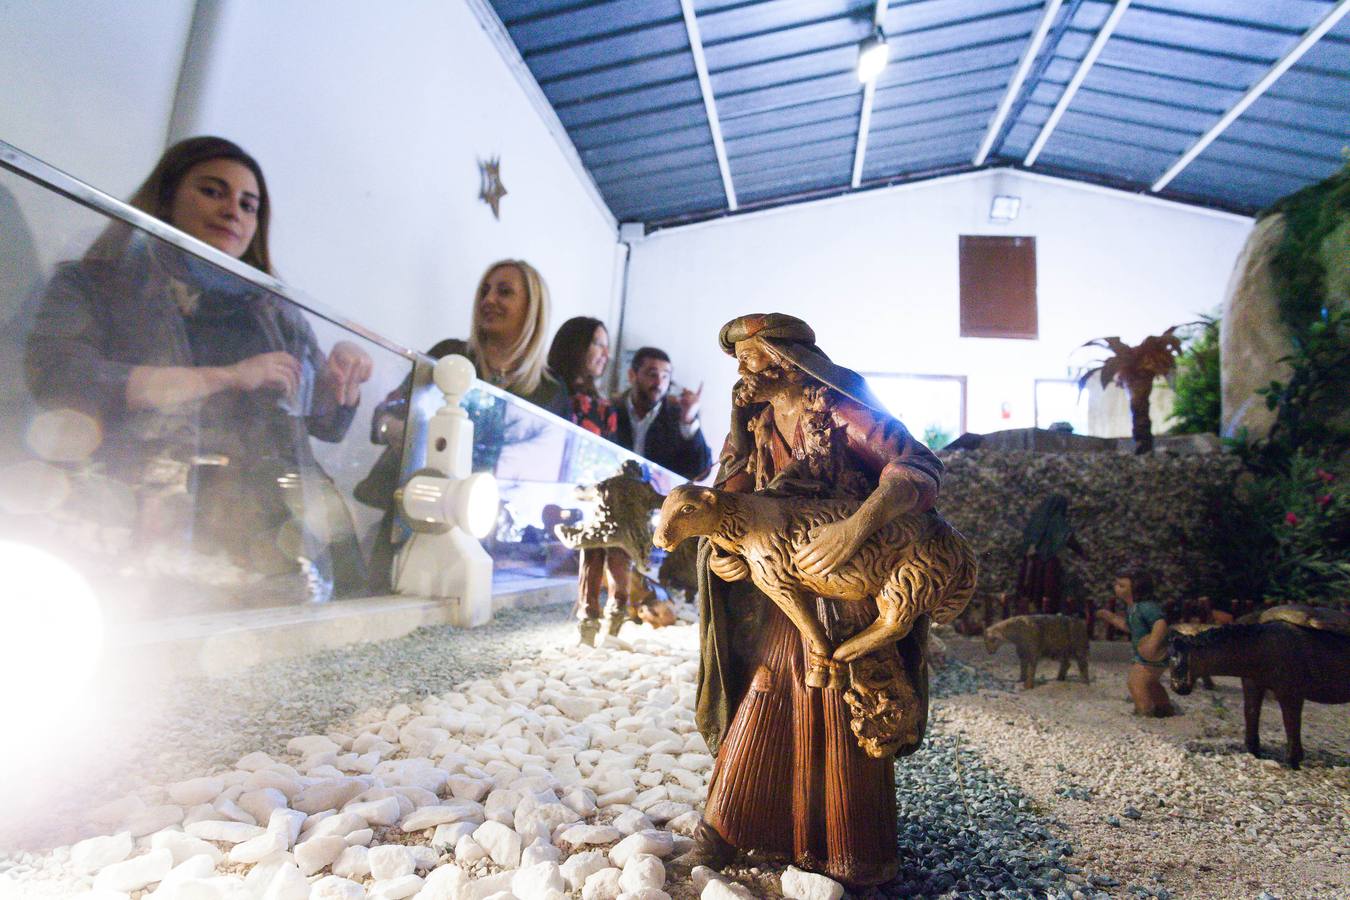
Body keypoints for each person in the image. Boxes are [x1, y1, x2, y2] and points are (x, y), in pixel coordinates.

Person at [25, 136, 373, 596]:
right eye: (213, 191)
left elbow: (324, 426)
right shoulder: (94, 281)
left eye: (249, 205)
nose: (233, 211)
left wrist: (337, 379)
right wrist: (225, 376)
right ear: (167, 197)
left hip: (265, 531)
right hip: (129, 516)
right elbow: (59, 376)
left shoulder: (275, 309)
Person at [681, 313, 944, 889]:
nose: (744, 372)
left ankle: (853, 850)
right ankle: (733, 824)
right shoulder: (751, 419)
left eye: (754, 358)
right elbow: (728, 494)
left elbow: (916, 466)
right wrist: (723, 548)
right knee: (769, 686)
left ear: (788, 359)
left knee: (845, 701)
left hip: (846, 577)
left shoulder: (842, 409)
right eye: (740, 361)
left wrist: (856, 527)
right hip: (781, 585)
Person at [362, 260, 569, 588]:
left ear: (533, 308)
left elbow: (547, 478)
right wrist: (399, 429)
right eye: (485, 290)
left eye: (504, 292)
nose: (489, 300)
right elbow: (382, 418)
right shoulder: (449, 356)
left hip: (493, 537)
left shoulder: (550, 392)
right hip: (418, 517)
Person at [547, 316, 629, 643]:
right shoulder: (550, 388)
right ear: (575, 345)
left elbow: (607, 462)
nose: (604, 354)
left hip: (586, 501)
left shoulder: (604, 407)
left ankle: (605, 610)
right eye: (598, 343)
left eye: (607, 347)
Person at [613, 346, 711, 480]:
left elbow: (701, 472)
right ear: (632, 375)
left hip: (658, 498)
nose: (659, 383)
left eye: (665, 376)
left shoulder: (679, 415)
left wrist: (688, 419)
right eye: (652, 374)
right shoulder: (612, 408)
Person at [1097, 567, 1177, 717]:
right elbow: (1129, 627)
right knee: (1151, 683)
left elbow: (1160, 623)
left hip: (1152, 655)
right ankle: (1164, 708)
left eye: (1122, 586)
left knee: (1136, 682)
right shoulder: (1133, 608)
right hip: (1145, 655)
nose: (1116, 588)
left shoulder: (1146, 607)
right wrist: (1111, 617)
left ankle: (1144, 710)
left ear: (1137, 588)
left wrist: (1152, 644)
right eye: (1117, 584)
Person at [1014, 494, 1087, 615]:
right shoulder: (1057, 520)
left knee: (1032, 594)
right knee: (1049, 594)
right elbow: (1068, 538)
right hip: (1048, 564)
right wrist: (1082, 553)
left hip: (1030, 564)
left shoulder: (1036, 520)